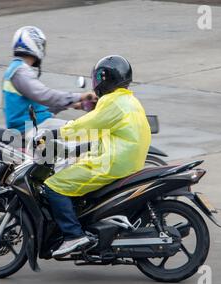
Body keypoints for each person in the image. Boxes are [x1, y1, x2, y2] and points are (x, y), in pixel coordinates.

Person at [44, 55, 152, 257]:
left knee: (54, 185)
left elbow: (86, 124)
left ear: (104, 79)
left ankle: (73, 235)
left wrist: (57, 133)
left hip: (112, 163)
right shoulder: (129, 99)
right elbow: (102, 133)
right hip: (127, 161)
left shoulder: (112, 102)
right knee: (75, 168)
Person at [2, 26, 96, 133]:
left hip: (31, 125)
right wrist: (81, 96)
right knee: (88, 132)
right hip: (31, 127)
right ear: (35, 44)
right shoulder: (20, 71)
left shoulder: (16, 69)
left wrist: (77, 104)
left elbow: (41, 106)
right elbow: (45, 96)